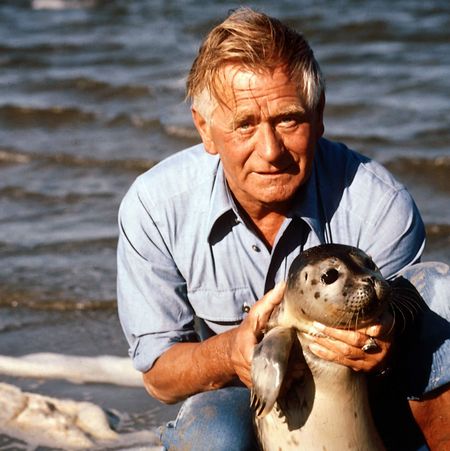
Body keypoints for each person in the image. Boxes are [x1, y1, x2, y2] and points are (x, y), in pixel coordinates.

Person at [117, 8, 449, 450]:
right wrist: (231, 352)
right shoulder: (155, 206)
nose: (270, 151)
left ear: (319, 114)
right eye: (245, 124)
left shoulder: (377, 202)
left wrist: (383, 343)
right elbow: (160, 378)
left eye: (288, 119)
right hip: (245, 397)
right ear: (206, 129)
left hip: (369, 395)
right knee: (210, 433)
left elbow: (415, 339)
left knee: (439, 291)